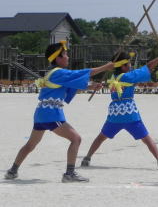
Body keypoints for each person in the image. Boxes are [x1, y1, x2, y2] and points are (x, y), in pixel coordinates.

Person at [4, 41, 115, 182]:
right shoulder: (58, 72)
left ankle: (12, 171)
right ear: (58, 58)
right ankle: (69, 174)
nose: (68, 57)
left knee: (31, 144)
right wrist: (106, 66)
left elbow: (71, 85)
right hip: (51, 113)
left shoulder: (55, 73)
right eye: (65, 54)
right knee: (76, 139)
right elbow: (80, 74)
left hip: (41, 113)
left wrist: (91, 87)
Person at [81, 52, 158, 170]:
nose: (131, 65)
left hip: (115, 114)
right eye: (129, 63)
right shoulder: (127, 77)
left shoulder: (113, 78)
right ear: (123, 66)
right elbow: (149, 67)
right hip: (129, 113)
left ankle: (87, 158)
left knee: (101, 137)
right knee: (146, 138)